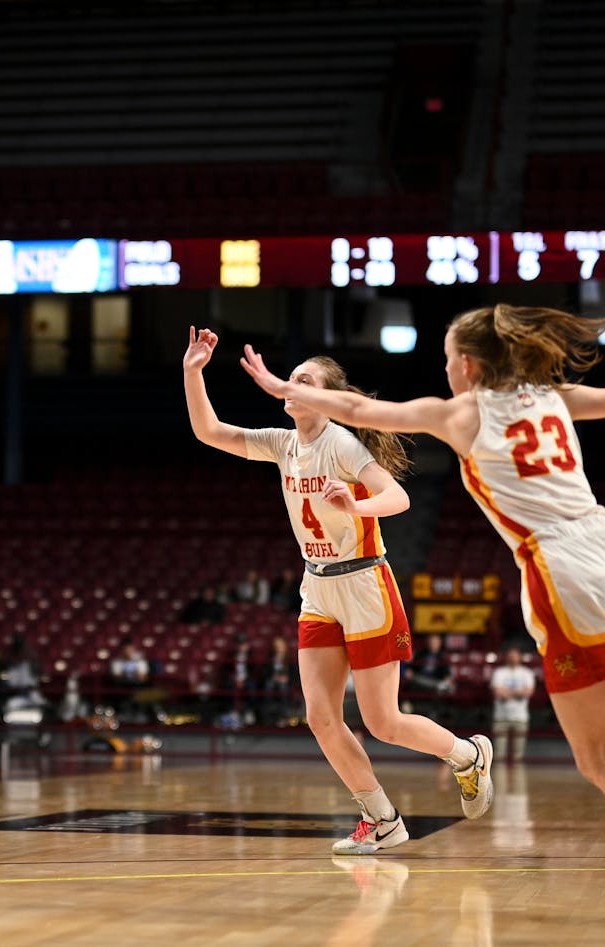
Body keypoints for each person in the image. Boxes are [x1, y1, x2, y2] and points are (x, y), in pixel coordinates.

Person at [244, 304, 605, 795]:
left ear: (469, 366)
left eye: (448, 359)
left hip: (561, 567)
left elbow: (357, 410)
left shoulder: (461, 412)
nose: (446, 369)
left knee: (596, 759)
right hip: (600, 534)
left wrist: (283, 386)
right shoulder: (552, 395)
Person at [185, 326, 493, 856]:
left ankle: (466, 755)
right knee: (320, 717)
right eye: (292, 378)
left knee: (383, 722)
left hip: (365, 583)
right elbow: (210, 432)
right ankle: (381, 818)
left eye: (304, 380)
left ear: (323, 396)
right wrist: (194, 372)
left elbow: (397, 498)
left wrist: (354, 506)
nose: (292, 386)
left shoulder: (342, 443)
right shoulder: (283, 444)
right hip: (317, 586)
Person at [491, 645, 536, 764]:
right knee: (499, 754)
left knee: (518, 755)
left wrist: (508, 693)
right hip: (501, 716)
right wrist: (518, 693)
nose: (512, 658)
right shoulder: (499, 672)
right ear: (507, 657)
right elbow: (498, 691)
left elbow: (528, 691)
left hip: (520, 717)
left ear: (520, 657)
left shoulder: (527, 673)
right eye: (510, 655)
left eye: (515, 655)